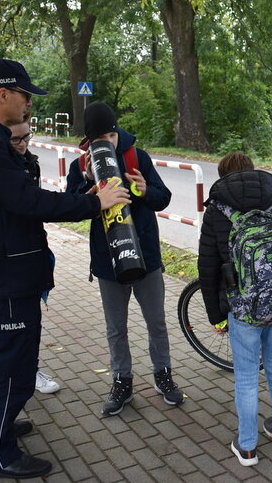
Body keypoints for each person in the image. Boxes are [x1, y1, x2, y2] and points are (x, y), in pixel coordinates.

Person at [0, 59, 129, 480]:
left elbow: (18, 197)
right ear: (3, 94)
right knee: (11, 368)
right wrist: (94, 203)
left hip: (4, 269)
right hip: (5, 275)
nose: (29, 104)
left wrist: (84, 196)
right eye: (25, 95)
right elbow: (27, 201)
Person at [197, 151, 272, 467]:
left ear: (223, 177)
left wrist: (215, 316)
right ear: (252, 172)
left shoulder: (216, 210)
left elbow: (207, 269)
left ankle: (248, 446)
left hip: (242, 308)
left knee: (247, 376)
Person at [65, 101, 185, 415]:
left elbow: (163, 198)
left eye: (111, 135)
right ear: (89, 140)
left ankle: (163, 375)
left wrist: (144, 191)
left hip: (145, 257)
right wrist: (88, 184)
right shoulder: (79, 166)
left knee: (156, 322)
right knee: (116, 327)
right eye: (100, 138)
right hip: (108, 262)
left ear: (117, 131)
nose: (108, 141)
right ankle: (122, 381)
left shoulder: (137, 157)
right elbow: (69, 207)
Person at [8, 120, 62, 395]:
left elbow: (38, 204)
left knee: (32, 319)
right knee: (11, 327)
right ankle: (15, 376)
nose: (22, 145)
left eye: (26, 137)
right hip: (7, 260)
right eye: (15, 140)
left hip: (33, 250)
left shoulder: (31, 163)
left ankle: (30, 371)